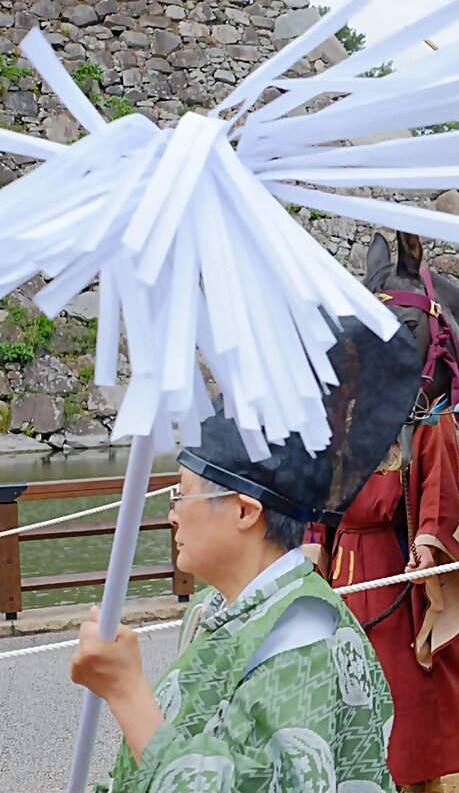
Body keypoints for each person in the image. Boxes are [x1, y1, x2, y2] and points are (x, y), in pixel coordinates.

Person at [70, 318, 423, 793]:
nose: (172, 515)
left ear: (243, 511)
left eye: (183, 495)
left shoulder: (303, 636)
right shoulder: (215, 609)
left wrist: (127, 692)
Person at [309, 416, 459, 793]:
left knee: (407, 690)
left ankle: (418, 782)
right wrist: (309, 550)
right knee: (341, 685)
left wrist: (429, 542)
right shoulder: (329, 398)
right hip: (340, 564)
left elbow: (439, 484)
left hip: (398, 561)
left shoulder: (422, 401)